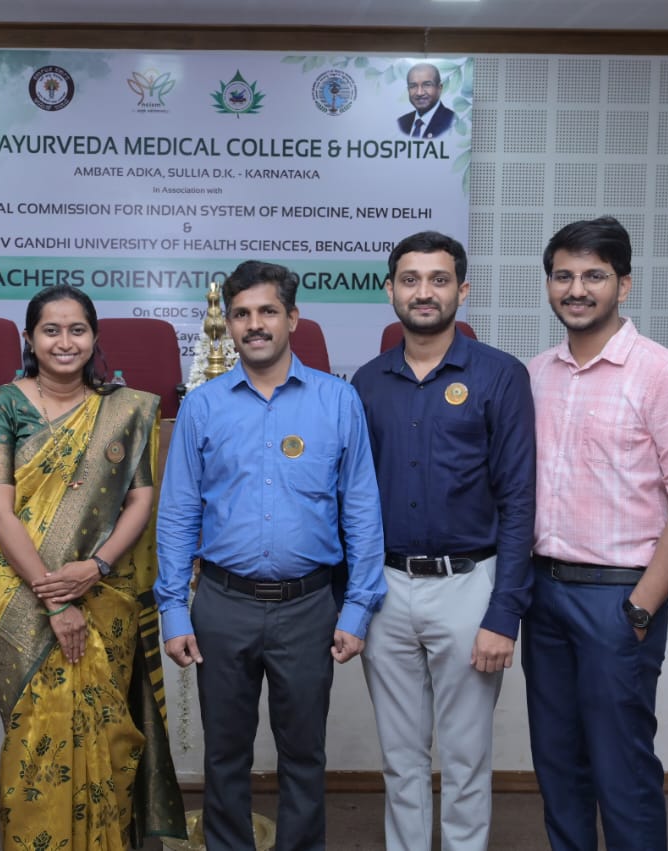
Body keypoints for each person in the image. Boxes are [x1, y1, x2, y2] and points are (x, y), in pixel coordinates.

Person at [155, 260, 387, 851]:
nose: (254, 325)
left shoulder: (338, 401)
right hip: (222, 604)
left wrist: (358, 608)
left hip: (309, 607)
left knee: (304, 754)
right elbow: (178, 513)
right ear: (227, 324)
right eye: (241, 314)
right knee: (224, 754)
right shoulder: (203, 405)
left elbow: (361, 509)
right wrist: (174, 610)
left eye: (267, 311)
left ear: (293, 318)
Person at [525, 216, 668, 851]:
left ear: (624, 285)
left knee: (622, 770)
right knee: (557, 766)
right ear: (549, 284)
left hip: (618, 598)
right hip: (542, 594)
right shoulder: (535, 375)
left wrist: (640, 608)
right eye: (563, 276)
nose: (576, 290)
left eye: (594, 276)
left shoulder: (665, 374)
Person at [0, 285, 186, 851]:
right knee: (35, 734)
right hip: (23, 590)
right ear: (29, 338)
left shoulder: (125, 409)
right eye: (51, 330)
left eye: (77, 330)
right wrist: (55, 599)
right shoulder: (4, 404)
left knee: (107, 731)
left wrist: (97, 565)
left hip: (104, 587)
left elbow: (141, 498)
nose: (64, 342)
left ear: (94, 338)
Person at [352, 233, 535, 851]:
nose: (423, 292)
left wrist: (504, 613)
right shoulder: (367, 382)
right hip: (386, 589)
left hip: (469, 588)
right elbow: (353, 499)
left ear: (463, 289)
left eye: (438, 279)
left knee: (465, 758)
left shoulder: (501, 376)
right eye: (410, 279)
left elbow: (519, 501)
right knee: (400, 759)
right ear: (390, 290)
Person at [397, 63, 456, 139]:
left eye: (427, 85)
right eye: (413, 86)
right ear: (408, 90)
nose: (419, 93)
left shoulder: (453, 121)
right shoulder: (401, 123)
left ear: (439, 88)